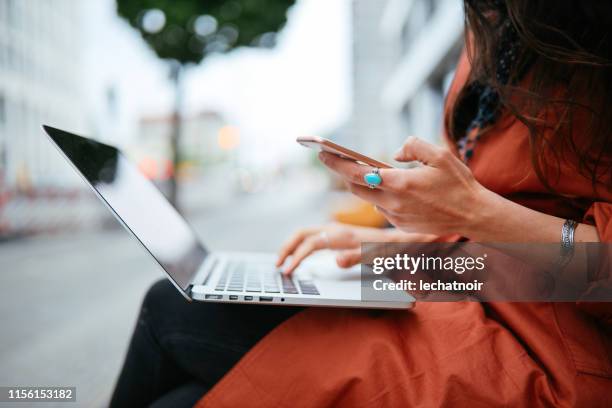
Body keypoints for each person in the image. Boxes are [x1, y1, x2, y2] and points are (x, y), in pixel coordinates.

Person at [110, 0, 612, 406]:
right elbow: (490, 223)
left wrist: (473, 212)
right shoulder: (490, 27)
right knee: (181, 380)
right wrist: (380, 244)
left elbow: (505, 222)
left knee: (171, 312)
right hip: (461, 300)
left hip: (549, 354)